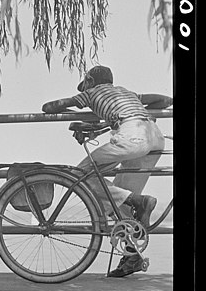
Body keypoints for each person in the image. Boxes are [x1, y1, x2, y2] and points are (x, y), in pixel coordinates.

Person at [41, 65, 172, 278]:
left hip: (132, 138)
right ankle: (133, 256)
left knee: (79, 174)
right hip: (154, 137)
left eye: (86, 84)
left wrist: (76, 110)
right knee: (117, 202)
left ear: (90, 81)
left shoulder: (91, 93)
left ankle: (140, 201)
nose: (85, 88)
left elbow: (49, 106)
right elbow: (166, 100)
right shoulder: (127, 93)